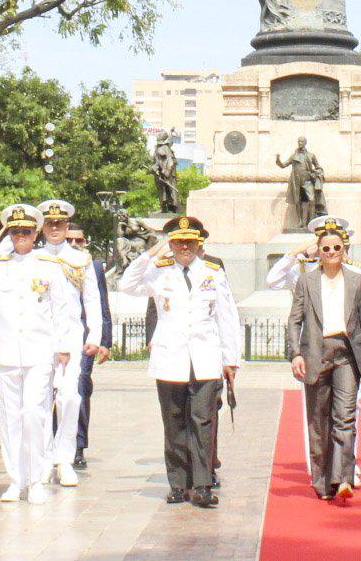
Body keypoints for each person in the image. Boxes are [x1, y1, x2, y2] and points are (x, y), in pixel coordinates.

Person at [119, 215, 241, 509]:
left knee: (203, 422)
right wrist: (152, 252)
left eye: (189, 242)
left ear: (198, 244)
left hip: (205, 358)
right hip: (170, 358)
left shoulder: (213, 272)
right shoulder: (159, 272)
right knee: (173, 423)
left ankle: (201, 484)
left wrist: (231, 359)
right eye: (178, 242)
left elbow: (227, 316)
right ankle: (177, 484)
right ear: (170, 244)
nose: (184, 247)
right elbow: (127, 284)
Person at [0, 204, 79, 505]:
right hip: (5, 354)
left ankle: (38, 479)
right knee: (9, 418)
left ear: (36, 232)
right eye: (15, 231)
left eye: (26, 231)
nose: (21, 236)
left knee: (34, 414)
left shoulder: (47, 265)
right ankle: (16, 479)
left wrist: (63, 347)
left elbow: (62, 308)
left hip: (39, 352)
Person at [287, 217, 361, 502]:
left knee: (345, 417)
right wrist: (295, 354)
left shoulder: (357, 280)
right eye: (326, 248)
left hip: (346, 354)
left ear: (344, 250)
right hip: (316, 352)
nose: (331, 253)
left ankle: (342, 478)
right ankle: (323, 480)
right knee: (318, 420)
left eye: (336, 247)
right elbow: (294, 320)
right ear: (319, 251)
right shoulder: (306, 280)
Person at [34, 203, 108, 486]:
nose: (55, 228)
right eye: (50, 223)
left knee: (70, 398)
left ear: (67, 226)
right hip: (40, 337)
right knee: (40, 400)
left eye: (60, 224)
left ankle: (63, 458)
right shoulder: (34, 257)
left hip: (71, 336)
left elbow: (92, 299)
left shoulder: (81, 259)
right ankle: (42, 459)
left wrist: (94, 337)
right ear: (42, 227)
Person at [65, 225, 111, 471]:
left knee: (81, 386)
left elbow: (102, 304)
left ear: (85, 243)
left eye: (78, 241)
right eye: (69, 240)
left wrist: (104, 341)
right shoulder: (51, 261)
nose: (74, 245)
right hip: (56, 338)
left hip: (84, 339)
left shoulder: (92, 267)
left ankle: (79, 445)